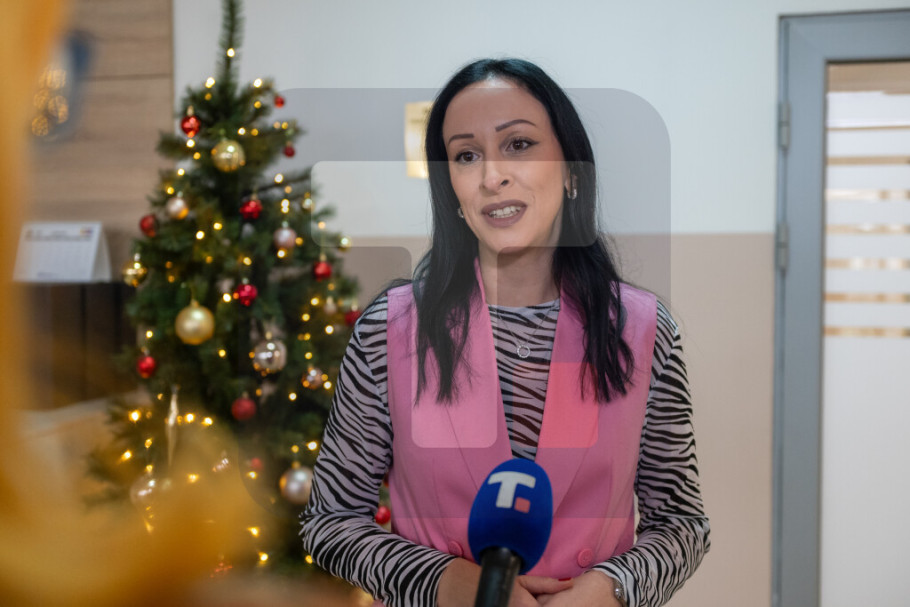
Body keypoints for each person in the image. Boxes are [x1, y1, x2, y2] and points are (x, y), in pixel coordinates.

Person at [301, 58, 710, 607]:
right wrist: (449, 582)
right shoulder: (390, 330)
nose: (491, 176)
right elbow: (329, 522)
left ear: (571, 170)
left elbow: (682, 523)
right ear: (451, 188)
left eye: (518, 145)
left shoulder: (642, 331)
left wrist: (609, 589)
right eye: (466, 155)